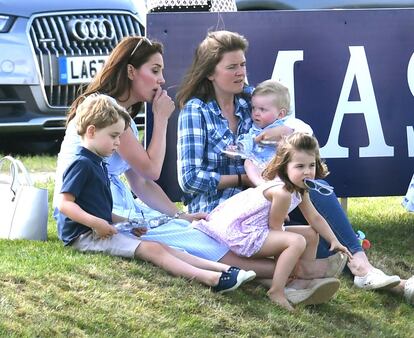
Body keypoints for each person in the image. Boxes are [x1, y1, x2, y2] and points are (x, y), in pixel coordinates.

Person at [53, 36, 343, 305]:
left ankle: (300, 271)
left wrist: (178, 213)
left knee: (185, 227)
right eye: (154, 71)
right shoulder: (104, 110)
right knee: (193, 239)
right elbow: (152, 172)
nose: (162, 80)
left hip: (117, 203)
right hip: (98, 207)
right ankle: (291, 275)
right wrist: (162, 118)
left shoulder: (117, 115)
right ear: (130, 71)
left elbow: (141, 182)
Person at [176, 30, 413, 303]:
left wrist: (283, 134)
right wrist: (246, 179)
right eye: (232, 67)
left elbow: (304, 134)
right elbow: (190, 179)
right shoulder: (196, 110)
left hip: (268, 199)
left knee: (315, 191)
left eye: (242, 64)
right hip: (228, 211)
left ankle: (364, 267)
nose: (241, 72)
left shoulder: (251, 100)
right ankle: (343, 273)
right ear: (210, 73)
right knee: (318, 238)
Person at [56, 94, 257, 293]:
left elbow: (98, 207)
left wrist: (124, 222)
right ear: (91, 131)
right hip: (84, 236)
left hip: (96, 228)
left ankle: (227, 270)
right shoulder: (81, 164)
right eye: (113, 136)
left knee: (162, 246)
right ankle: (214, 280)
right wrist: (95, 223)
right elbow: (64, 203)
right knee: (153, 249)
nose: (118, 143)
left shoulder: (98, 163)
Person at [194, 133, 351, 310]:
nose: (307, 171)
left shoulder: (300, 189)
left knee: (311, 233)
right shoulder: (282, 192)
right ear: (285, 167)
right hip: (242, 234)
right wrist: (285, 265)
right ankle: (278, 289)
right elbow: (276, 229)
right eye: (300, 166)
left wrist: (334, 240)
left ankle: (301, 281)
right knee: (297, 241)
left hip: (258, 230)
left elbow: (314, 218)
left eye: (311, 165)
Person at [229, 79, 313, 186]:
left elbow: (306, 131)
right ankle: (260, 184)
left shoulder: (288, 122)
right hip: (261, 165)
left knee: (295, 160)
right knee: (248, 162)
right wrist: (239, 148)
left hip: (281, 163)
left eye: (262, 109)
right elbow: (249, 140)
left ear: (281, 113)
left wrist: (289, 131)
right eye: (254, 108)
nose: (256, 113)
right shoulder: (255, 128)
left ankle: (284, 182)